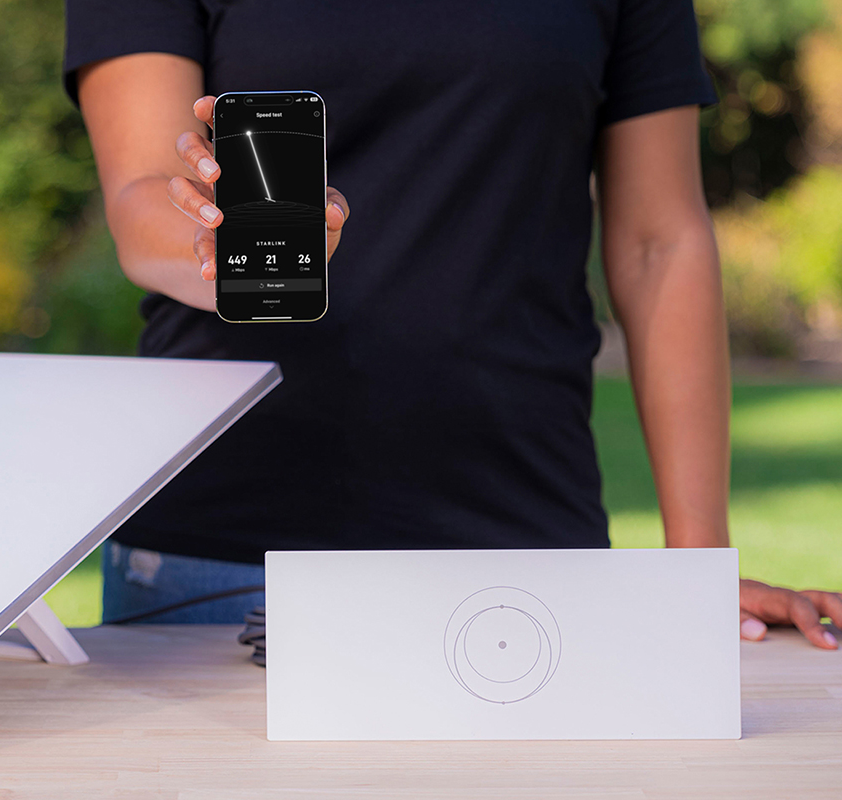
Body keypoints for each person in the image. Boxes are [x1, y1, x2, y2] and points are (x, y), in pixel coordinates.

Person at [63, 0, 842, 646]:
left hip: (528, 546)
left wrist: (698, 566)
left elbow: (659, 244)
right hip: (224, 558)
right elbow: (142, 202)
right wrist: (227, 250)